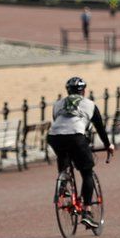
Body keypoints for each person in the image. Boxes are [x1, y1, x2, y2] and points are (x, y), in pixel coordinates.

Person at [47, 77, 115, 229]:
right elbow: (100, 128)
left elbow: (59, 123)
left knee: (63, 154)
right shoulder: (90, 105)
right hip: (76, 136)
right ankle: (87, 212)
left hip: (54, 136)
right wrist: (107, 145)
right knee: (87, 173)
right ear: (84, 91)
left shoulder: (58, 104)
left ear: (67, 91)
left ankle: (63, 185)